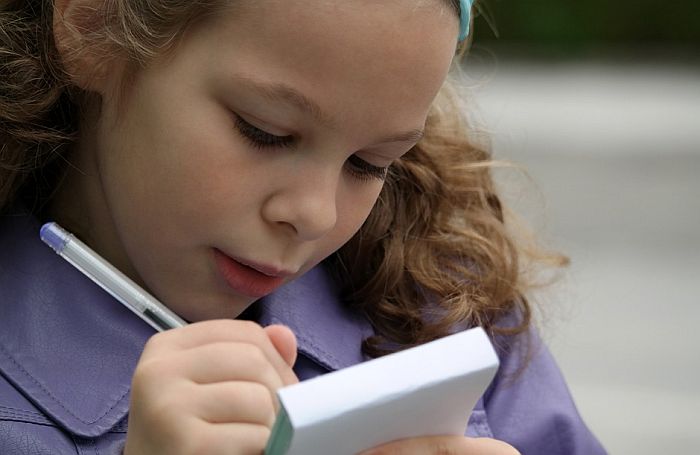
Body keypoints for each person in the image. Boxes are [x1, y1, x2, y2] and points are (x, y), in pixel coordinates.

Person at [0, 0, 607, 453]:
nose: (314, 215)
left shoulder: (444, 306)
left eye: (371, 165)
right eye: (265, 130)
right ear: (94, 25)